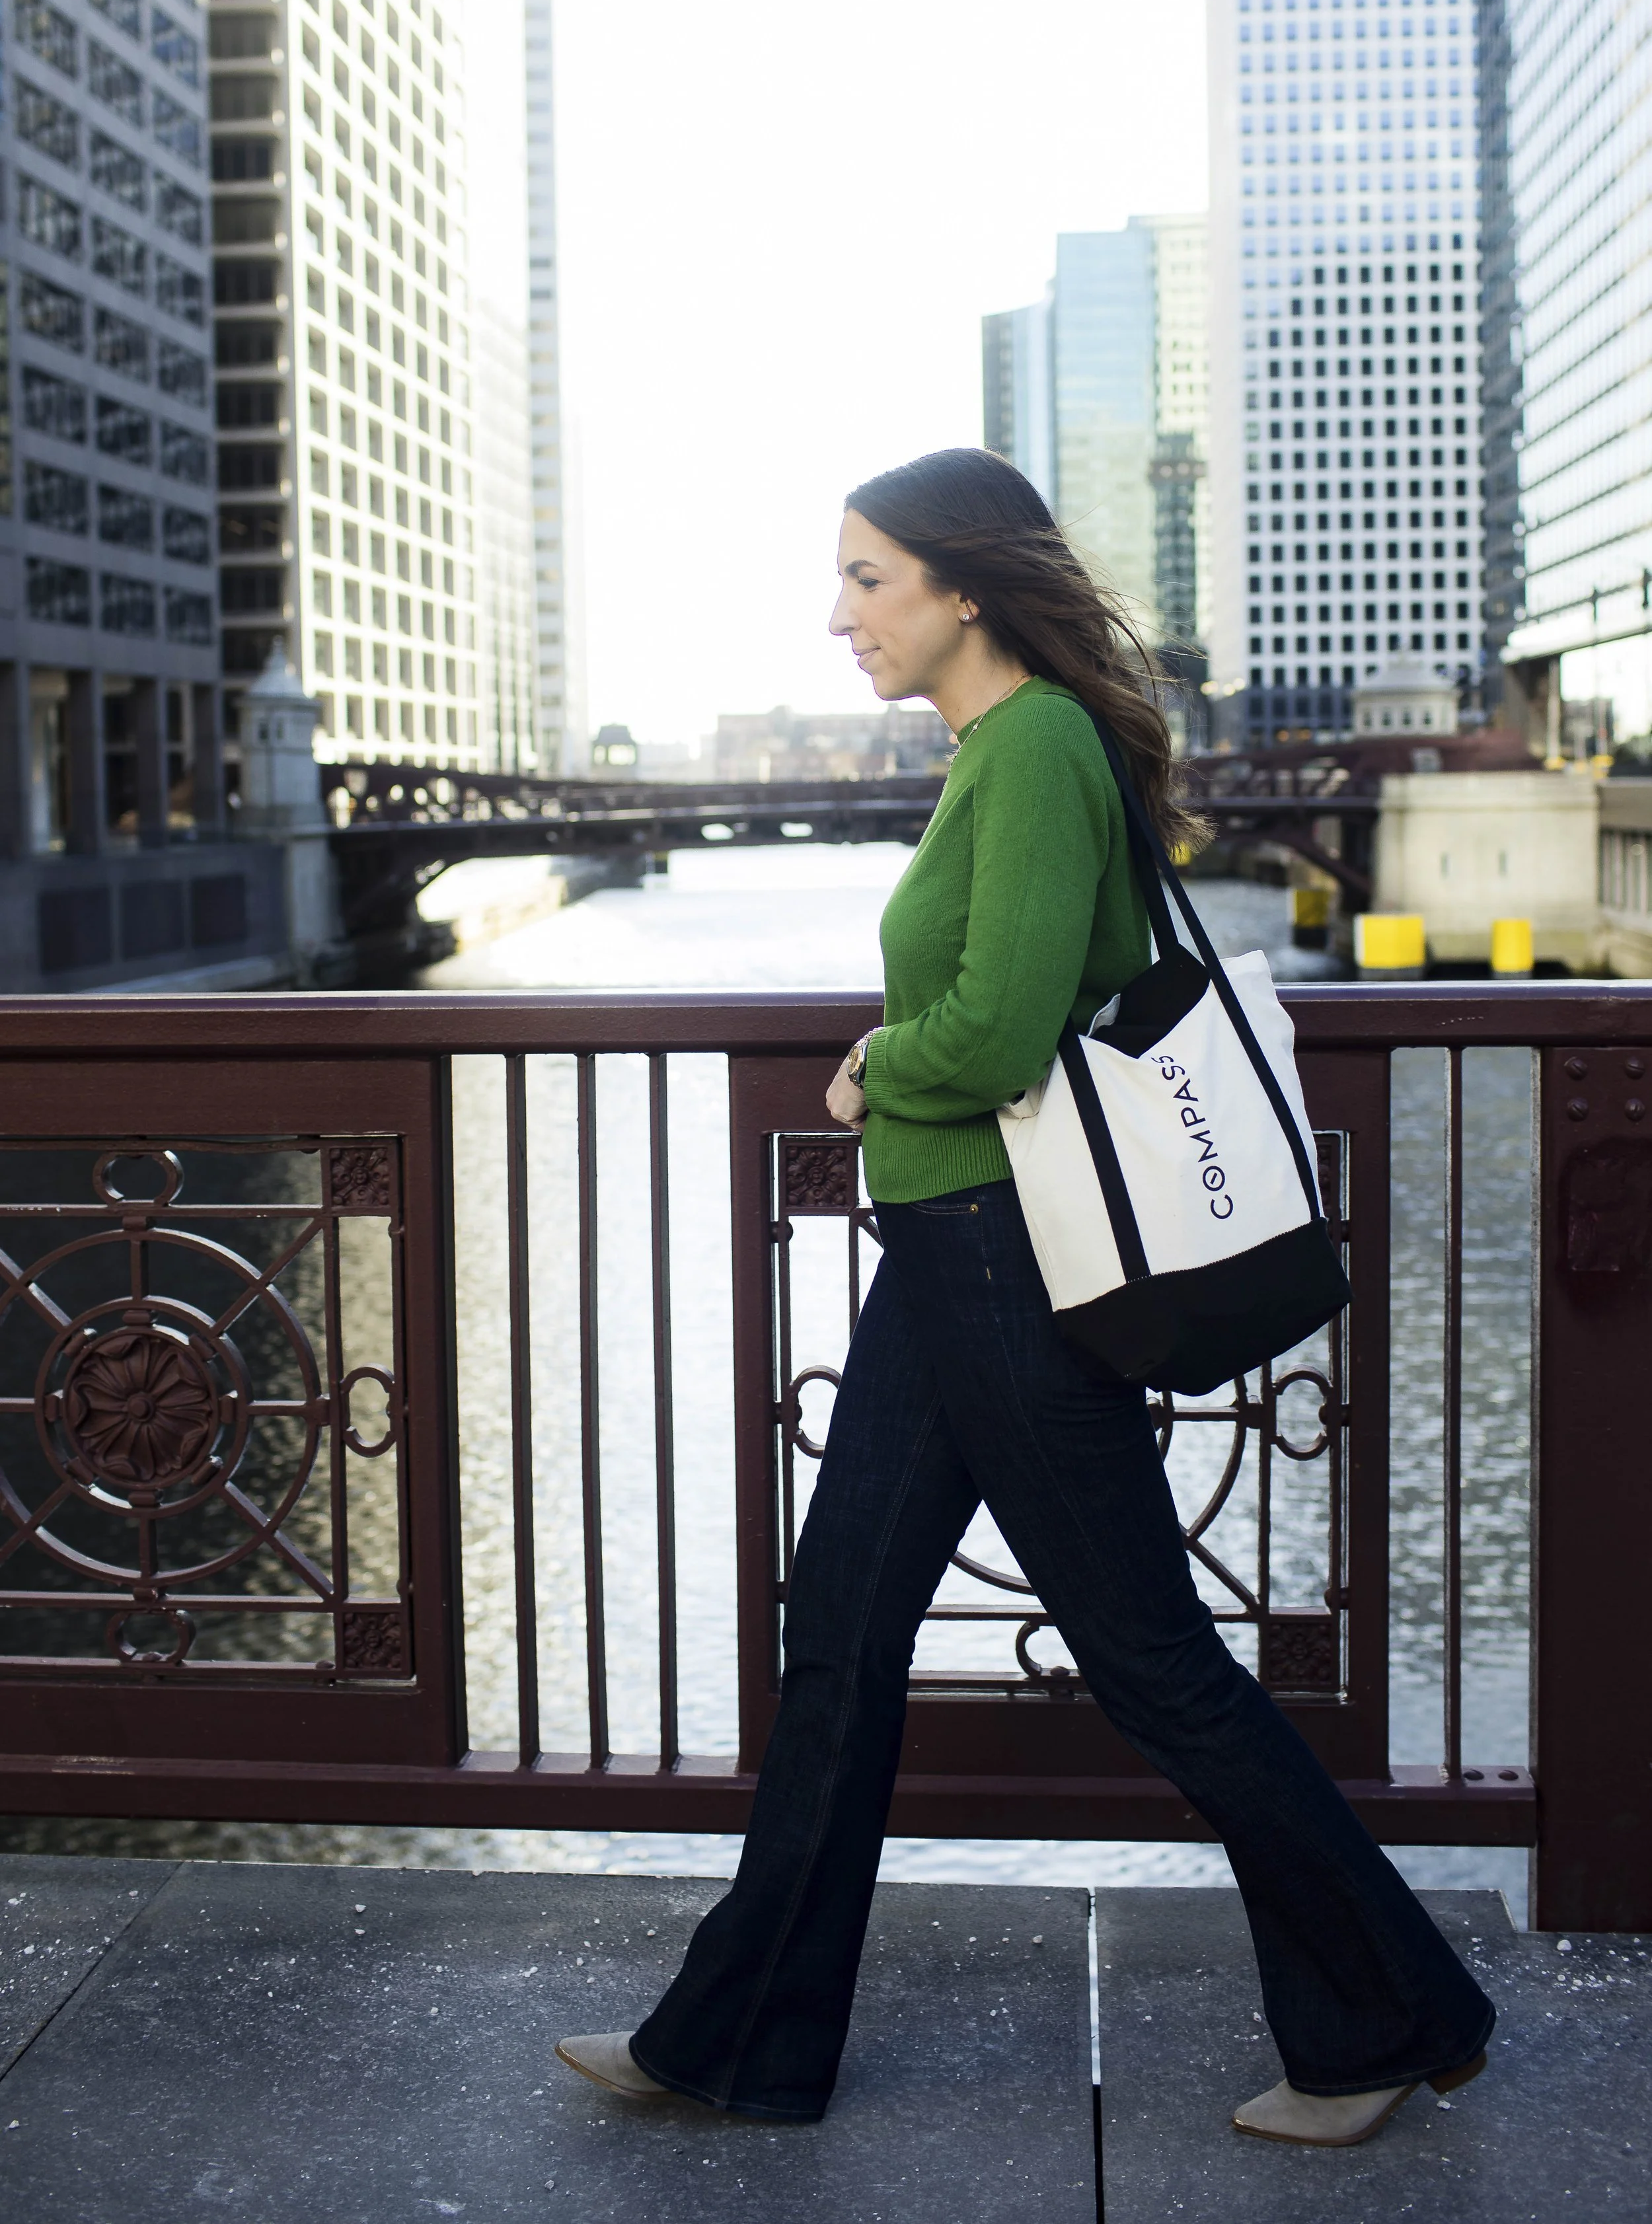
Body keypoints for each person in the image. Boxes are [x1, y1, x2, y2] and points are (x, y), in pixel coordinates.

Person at [556, 447, 1494, 2147]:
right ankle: (738, 2036)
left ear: (962, 586)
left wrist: (864, 1068)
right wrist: (906, 1076)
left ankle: (1382, 2017)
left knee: (1148, 1659)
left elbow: (992, 1035)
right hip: (946, 1261)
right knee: (838, 1629)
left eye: (864, 578)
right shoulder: (993, 750)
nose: (837, 614)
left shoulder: (1040, 745)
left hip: (1004, 1261)